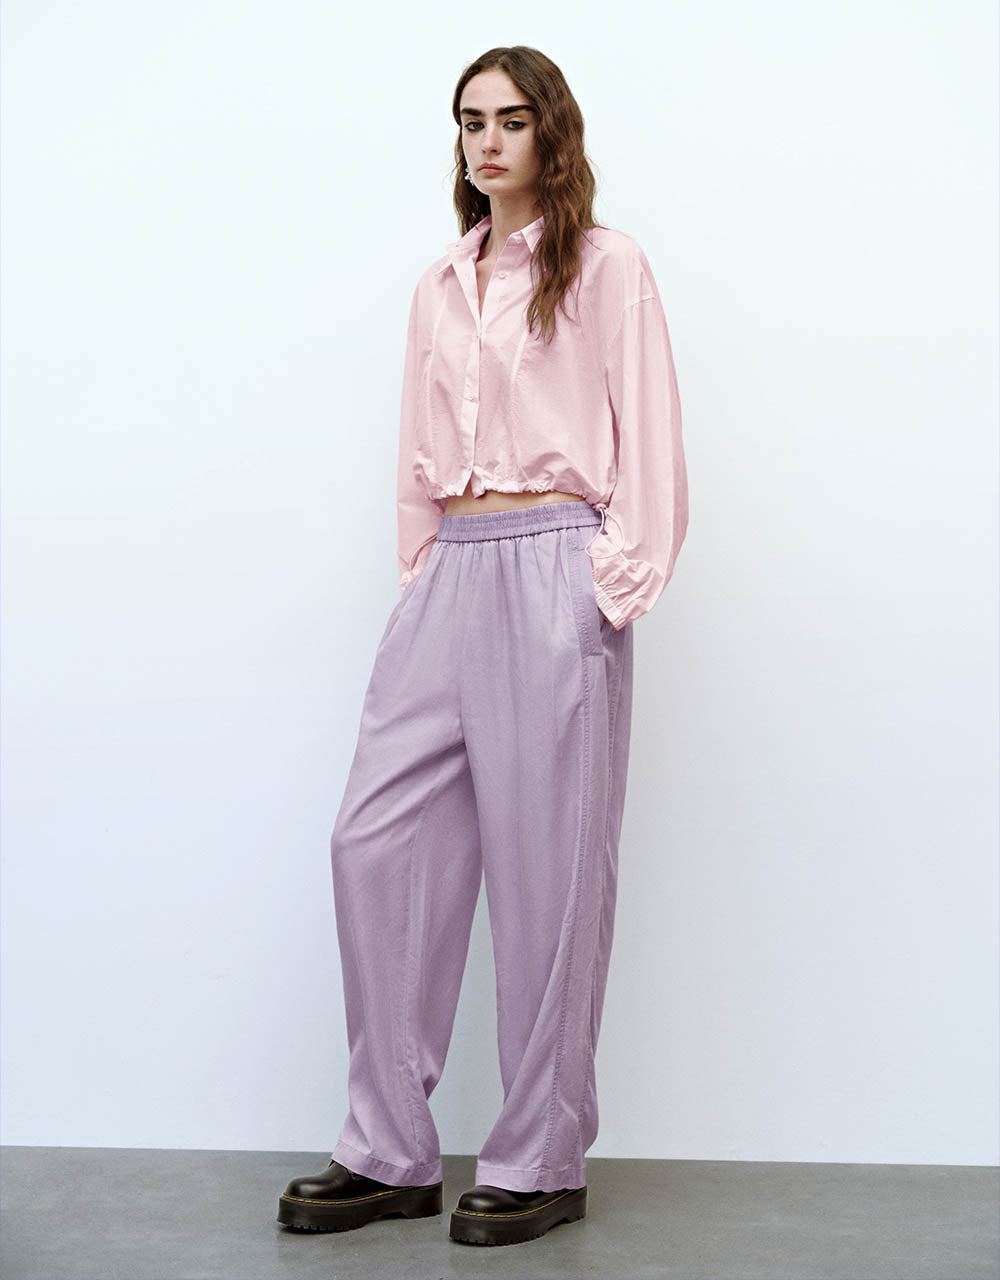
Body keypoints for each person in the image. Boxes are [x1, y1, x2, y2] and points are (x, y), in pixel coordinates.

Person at [276, 44, 688, 1249]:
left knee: (547, 874)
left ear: (552, 132)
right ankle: (388, 1148)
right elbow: (415, 448)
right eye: (471, 122)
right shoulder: (438, 285)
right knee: (374, 842)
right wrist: (425, 580)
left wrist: (603, 590)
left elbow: (652, 440)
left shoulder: (607, 267)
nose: (489, 141)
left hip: (557, 564)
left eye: (511, 119)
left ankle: (539, 1155)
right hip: (451, 568)